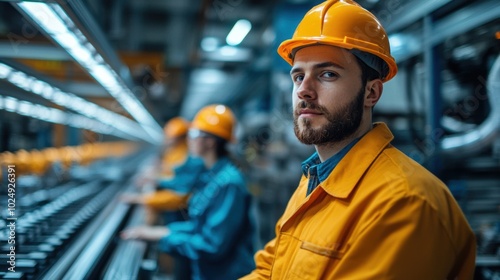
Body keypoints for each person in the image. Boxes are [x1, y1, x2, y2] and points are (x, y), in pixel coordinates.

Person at [241, 0, 476, 279]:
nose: (304, 90)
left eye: (327, 74)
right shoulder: (316, 180)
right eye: (298, 76)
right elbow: (270, 269)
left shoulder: (404, 202)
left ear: (371, 93)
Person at [122, 104, 257, 280]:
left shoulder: (228, 184)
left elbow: (212, 246)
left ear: (210, 141)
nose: (189, 140)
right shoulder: (212, 176)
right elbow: (200, 227)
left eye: (193, 134)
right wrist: (163, 232)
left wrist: (165, 238)